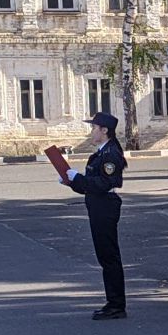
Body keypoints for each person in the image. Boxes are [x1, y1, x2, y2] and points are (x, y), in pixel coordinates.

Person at [65, 111, 128, 319]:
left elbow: (103, 184)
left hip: (105, 207)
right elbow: (89, 187)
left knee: (109, 257)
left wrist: (78, 178)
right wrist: (73, 181)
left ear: (104, 130)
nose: (91, 131)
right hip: (98, 205)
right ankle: (113, 302)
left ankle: (116, 305)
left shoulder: (110, 154)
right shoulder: (100, 153)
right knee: (105, 256)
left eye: (94, 127)